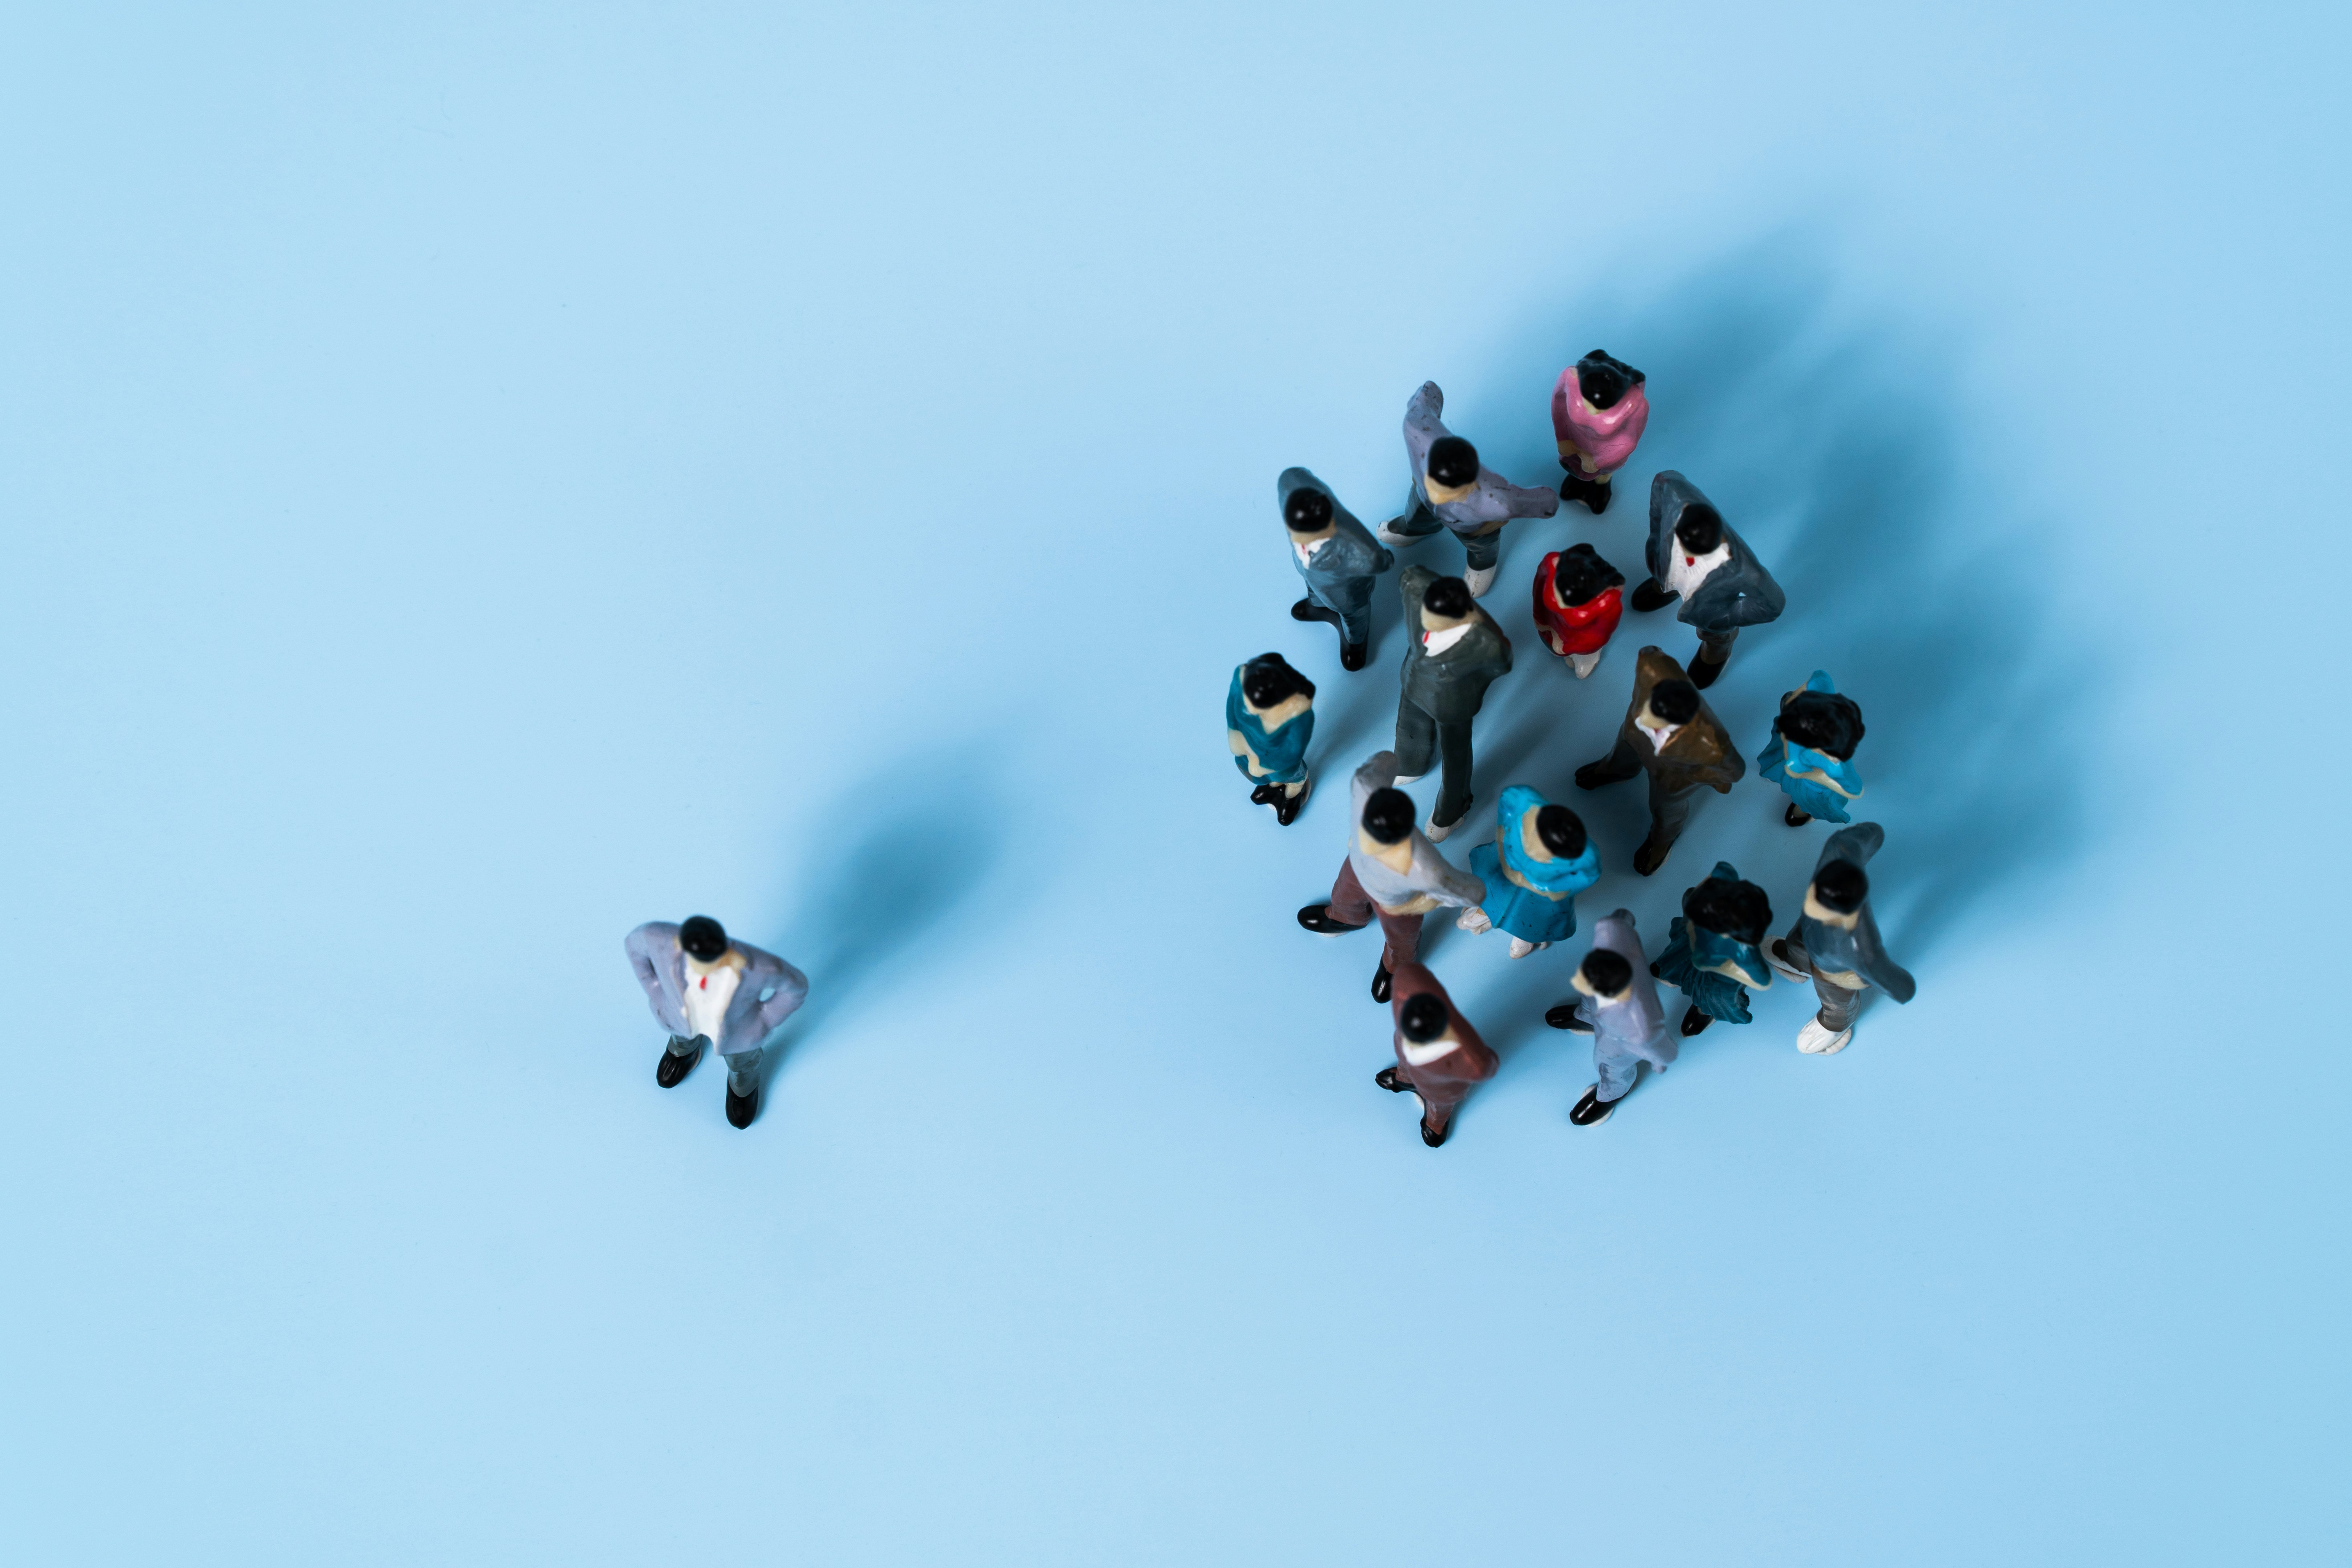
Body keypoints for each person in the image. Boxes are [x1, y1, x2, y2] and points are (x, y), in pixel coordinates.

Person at [1297, 751, 1486, 1002]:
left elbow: (1458, 887)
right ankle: (1346, 917)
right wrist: (1395, 761)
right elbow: (1382, 764)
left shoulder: (1423, 865)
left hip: (1399, 902)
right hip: (1358, 865)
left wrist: (1478, 896)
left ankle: (1398, 964)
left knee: (1402, 938)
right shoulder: (1364, 789)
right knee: (1344, 893)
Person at [1378, 381, 1559, 598]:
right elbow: (1427, 396)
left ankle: (1483, 566)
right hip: (1422, 499)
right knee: (1416, 515)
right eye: (1435, 482)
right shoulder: (1415, 428)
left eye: (1450, 490)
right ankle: (1414, 528)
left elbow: (1535, 502)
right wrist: (1431, 394)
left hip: (1474, 526)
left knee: (1482, 546)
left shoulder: (1497, 500)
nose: (1439, 495)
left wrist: (1547, 503)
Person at [624, 916, 807, 1129]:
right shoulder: (655, 937)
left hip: (737, 1030)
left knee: (742, 1061)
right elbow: (634, 947)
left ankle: (743, 1083)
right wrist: (655, 990)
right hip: (681, 1015)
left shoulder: (759, 967)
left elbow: (795, 988)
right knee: (681, 1035)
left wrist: (765, 1020)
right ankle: (684, 1050)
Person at [1573, 646, 1743, 876]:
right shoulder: (1654, 669)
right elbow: (1648, 656)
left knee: (1665, 809)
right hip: (1634, 735)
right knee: (1622, 753)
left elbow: (1734, 771)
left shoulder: (1709, 742)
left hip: (1672, 773)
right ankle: (1616, 771)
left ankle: (1663, 840)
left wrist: (1704, 777)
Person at [1765, 823, 1917, 1055]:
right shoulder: (1839, 850)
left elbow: (1884, 973)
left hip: (1834, 971)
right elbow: (1869, 835)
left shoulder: (1858, 945)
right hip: (1810, 930)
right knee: (1799, 939)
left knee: (1836, 997)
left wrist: (1900, 988)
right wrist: (1873, 836)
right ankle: (1796, 960)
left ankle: (1837, 1023)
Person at [1628, 471, 1785, 688]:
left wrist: (1727, 616)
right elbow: (1662, 483)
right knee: (1666, 577)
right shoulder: (1674, 491)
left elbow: (1773, 604)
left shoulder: (1742, 570)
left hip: (1711, 609)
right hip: (1668, 568)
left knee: (1716, 637)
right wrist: (1656, 536)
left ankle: (1718, 653)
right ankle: (1666, 588)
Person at [1394, 566, 1513, 841]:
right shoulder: (1415, 588)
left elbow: (1503, 662)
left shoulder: (1484, 642)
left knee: (1455, 757)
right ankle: (1411, 764)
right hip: (1414, 679)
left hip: (1453, 704)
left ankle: (1452, 810)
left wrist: (1470, 690)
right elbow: (1409, 575)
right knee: (1408, 725)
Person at [1545, 912, 1673, 1126]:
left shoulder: (1640, 1021)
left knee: (1610, 1065)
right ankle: (1586, 1017)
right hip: (1606, 991)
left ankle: (1613, 1092)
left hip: (1620, 1040)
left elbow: (1659, 1045)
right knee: (1590, 996)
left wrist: (1659, 1060)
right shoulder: (1610, 945)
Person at [1456, 786, 1600, 958]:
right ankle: (1488, 911)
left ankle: (1527, 936)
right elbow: (1509, 798)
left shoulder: (1583, 856)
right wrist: (1503, 836)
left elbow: (1590, 873)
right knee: (1495, 890)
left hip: (1541, 892)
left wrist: (1552, 888)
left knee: (1535, 915)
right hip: (1506, 866)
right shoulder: (1524, 802)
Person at [1278, 467, 1393, 672]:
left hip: (1345, 593)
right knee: (1312, 587)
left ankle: (1356, 643)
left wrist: (1386, 560)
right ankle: (1318, 605)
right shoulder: (1290, 484)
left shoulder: (1351, 546)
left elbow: (1379, 561)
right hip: (1308, 572)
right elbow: (1295, 474)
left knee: (1354, 617)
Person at [1373, 964, 1498, 1147]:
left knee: (1440, 1105)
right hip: (1403, 1050)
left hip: (1442, 1088)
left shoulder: (1467, 1055)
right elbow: (1410, 972)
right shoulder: (1408, 980)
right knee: (1405, 1063)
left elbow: (1487, 1068)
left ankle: (1436, 1123)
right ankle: (1404, 1079)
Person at [1649, 864, 1774, 1038]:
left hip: (1717, 974)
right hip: (1692, 944)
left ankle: (1704, 1010)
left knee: (1714, 997)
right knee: (1680, 953)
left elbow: (1761, 979)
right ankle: (1672, 970)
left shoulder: (1742, 952)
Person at [1758, 671, 1866, 826]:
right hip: (1792, 756)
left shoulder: (1833, 760)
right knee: (1781, 760)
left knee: (1810, 798)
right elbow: (1820, 678)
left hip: (1814, 785)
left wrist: (1818, 776)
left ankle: (1808, 809)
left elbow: (1854, 789)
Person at [1549, 350, 1650, 515]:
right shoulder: (1570, 378)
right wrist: (1563, 438)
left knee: (1602, 476)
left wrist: (1597, 462)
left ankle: (1600, 491)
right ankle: (1575, 482)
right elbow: (1558, 403)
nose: (1592, 412)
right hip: (1575, 440)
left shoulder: (1636, 405)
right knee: (1574, 466)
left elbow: (1630, 441)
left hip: (1608, 452)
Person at [1226, 652, 1315, 826]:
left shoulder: (1297, 715)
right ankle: (1272, 785)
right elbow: (1232, 703)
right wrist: (1235, 735)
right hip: (1250, 746)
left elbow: (1294, 750)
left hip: (1277, 760)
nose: (1251, 712)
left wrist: (1264, 766)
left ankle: (1295, 792)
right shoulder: (1241, 677)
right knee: (1258, 773)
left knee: (1289, 775)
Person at [1530, 541, 1626, 680]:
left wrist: (1568, 647)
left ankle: (1586, 660)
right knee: (1553, 649)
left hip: (1579, 643)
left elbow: (1598, 637)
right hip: (1553, 628)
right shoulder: (1551, 565)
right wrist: (1539, 618)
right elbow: (1539, 589)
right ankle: (1563, 652)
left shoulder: (1609, 608)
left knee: (1583, 658)